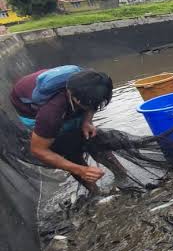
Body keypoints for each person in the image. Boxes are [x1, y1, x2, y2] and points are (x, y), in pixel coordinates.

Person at [10, 66, 129, 195]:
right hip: (27, 106)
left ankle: (122, 175)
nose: (94, 107)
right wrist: (80, 170)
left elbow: (94, 103)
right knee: (68, 148)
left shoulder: (93, 80)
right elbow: (38, 150)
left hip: (64, 96)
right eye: (90, 104)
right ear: (76, 99)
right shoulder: (50, 113)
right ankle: (95, 191)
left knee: (91, 138)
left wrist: (86, 121)